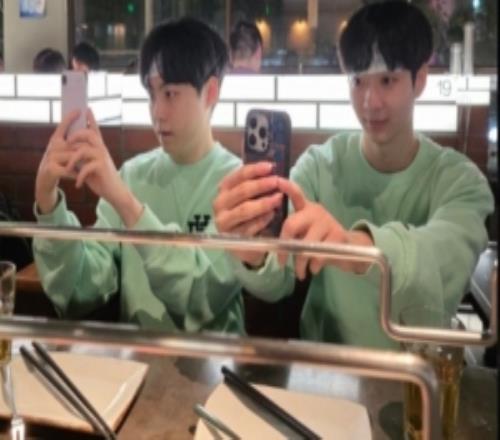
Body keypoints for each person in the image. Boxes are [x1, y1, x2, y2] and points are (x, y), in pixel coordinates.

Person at [213, 1, 494, 349]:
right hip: (327, 368)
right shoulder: (321, 166)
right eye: (358, 81)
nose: (370, 102)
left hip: (416, 372)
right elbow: (277, 277)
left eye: (387, 80)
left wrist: (352, 246)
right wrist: (253, 251)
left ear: (420, 80)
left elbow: (443, 263)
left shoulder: (461, 182)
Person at [33, 18, 244, 333]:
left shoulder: (239, 184)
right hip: (134, 358)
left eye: (170, 94)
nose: (157, 112)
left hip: (214, 360)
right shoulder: (133, 174)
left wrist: (125, 202)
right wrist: (48, 203)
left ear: (210, 92)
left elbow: (199, 299)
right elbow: (81, 289)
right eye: (152, 95)